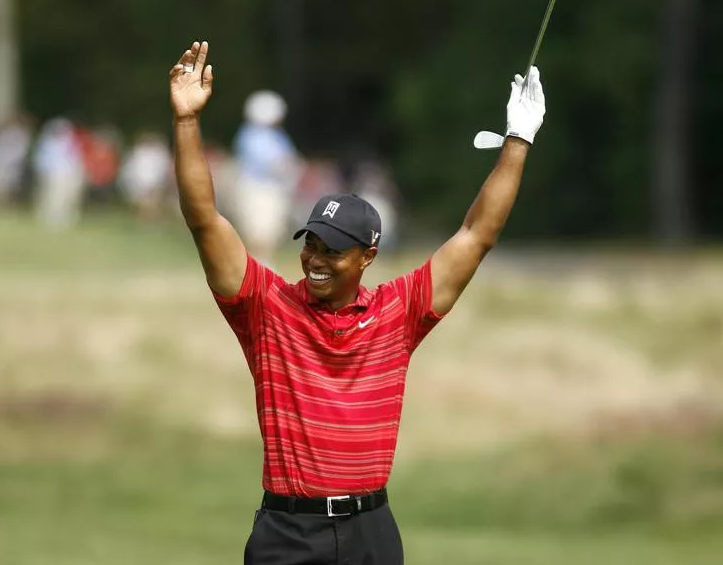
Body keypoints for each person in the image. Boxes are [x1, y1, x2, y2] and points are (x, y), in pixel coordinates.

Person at [170, 41, 546, 565]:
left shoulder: (399, 311)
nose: (315, 260)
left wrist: (518, 141)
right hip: (289, 532)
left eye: (333, 250)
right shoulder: (265, 305)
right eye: (311, 244)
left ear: (368, 256)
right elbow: (204, 219)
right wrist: (187, 121)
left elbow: (476, 235)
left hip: (371, 532)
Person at [231, 89, 301, 264]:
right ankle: (259, 266)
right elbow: (271, 163)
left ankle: (263, 263)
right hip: (258, 188)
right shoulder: (252, 135)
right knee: (258, 231)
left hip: (272, 189)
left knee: (271, 231)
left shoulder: (276, 136)